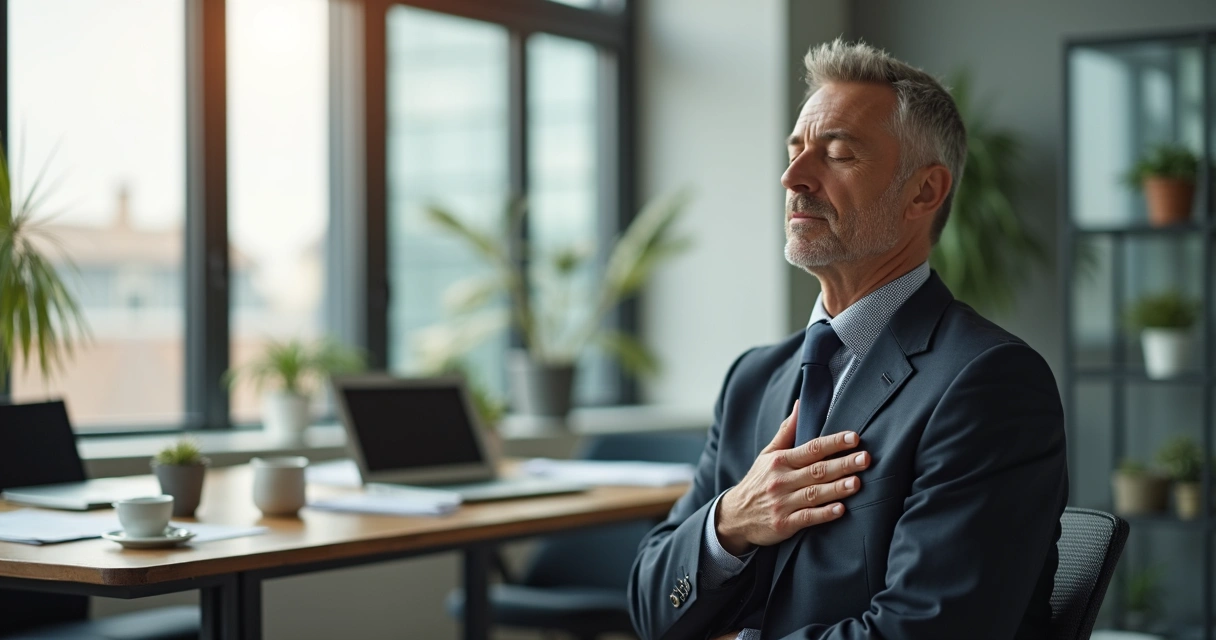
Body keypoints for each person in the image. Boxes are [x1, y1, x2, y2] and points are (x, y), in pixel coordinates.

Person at [627, 39, 1068, 640]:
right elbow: (650, 610)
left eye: (836, 154)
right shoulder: (752, 381)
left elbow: (928, 630)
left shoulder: (989, 382)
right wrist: (730, 520)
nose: (792, 176)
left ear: (924, 192)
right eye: (795, 149)